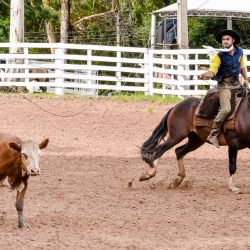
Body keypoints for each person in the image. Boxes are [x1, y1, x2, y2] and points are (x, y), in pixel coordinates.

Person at [200, 29, 249, 148]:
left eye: (227, 39)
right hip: (225, 87)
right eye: (223, 39)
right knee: (226, 109)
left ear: (233, 40)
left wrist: (246, 79)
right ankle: (213, 134)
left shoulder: (240, 52)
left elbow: (242, 67)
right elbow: (213, 71)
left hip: (237, 85)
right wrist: (205, 74)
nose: (225, 41)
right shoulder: (219, 55)